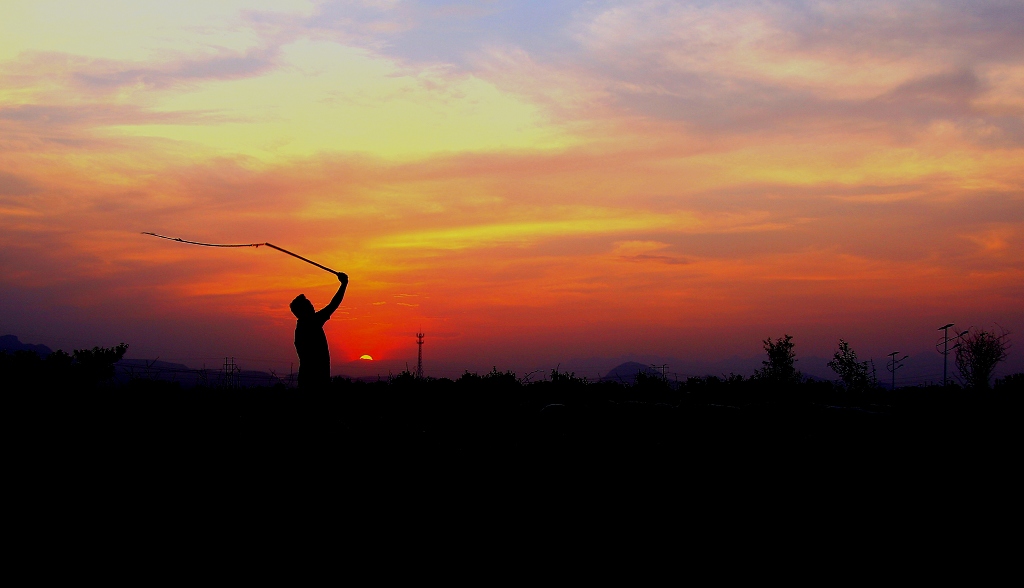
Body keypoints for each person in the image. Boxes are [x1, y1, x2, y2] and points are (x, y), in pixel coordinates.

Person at [290, 272, 348, 390]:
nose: (312, 307)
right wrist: (344, 284)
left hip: (308, 379)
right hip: (315, 381)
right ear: (303, 311)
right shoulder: (311, 323)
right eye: (309, 305)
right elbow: (333, 304)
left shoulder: (302, 327)